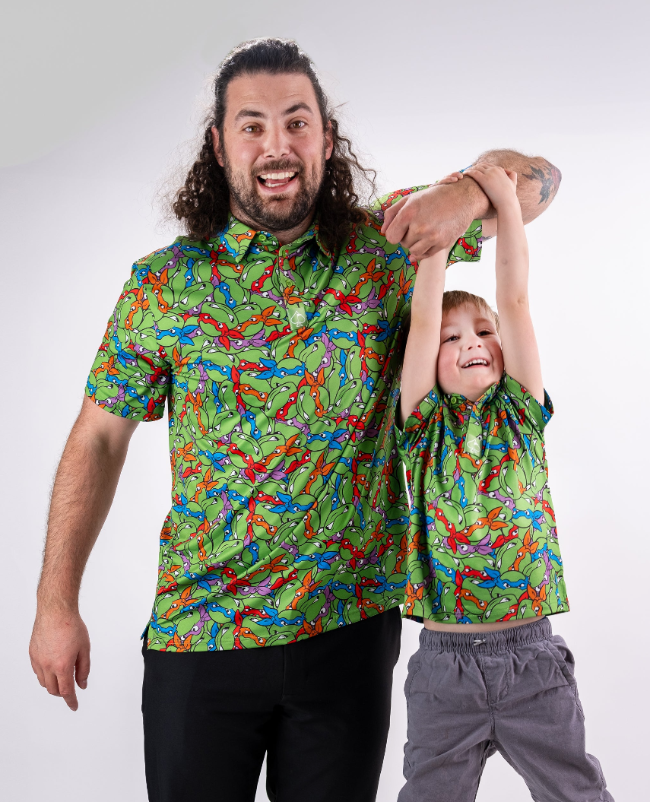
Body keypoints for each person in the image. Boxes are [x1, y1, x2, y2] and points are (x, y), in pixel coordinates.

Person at [28, 38, 562, 802]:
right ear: (218, 146)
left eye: (296, 122)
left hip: (346, 632)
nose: (276, 146)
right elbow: (99, 437)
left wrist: (470, 187)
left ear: (326, 138)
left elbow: (543, 180)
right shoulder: (163, 288)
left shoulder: (385, 247)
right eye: (252, 125)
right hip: (201, 634)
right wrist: (56, 604)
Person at [394, 163, 612, 801]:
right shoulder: (422, 423)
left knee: (577, 792)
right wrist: (435, 236)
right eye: (453, 337)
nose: (473, 344)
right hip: (444, 667)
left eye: (483, 333)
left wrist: (504, 208)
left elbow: (513, 298)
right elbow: (425, 317)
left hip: (533, 664)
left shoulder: (521, 410)